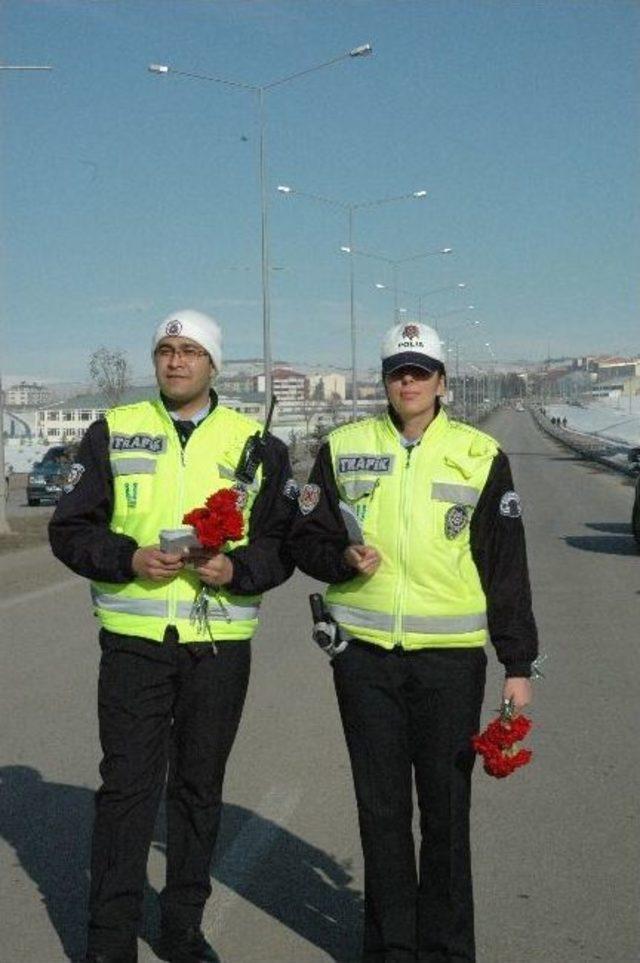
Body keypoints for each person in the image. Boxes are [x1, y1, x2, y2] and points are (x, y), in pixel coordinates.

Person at [49, 309, 296, 963]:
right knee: (127, 787)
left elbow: (281, 546)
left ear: (214, 364)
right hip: (135, 639)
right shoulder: (116, 431)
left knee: (196, 788)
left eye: (190, 351)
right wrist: (128, 558)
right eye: (166, 350)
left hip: (218, 643)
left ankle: (181, 926)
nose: (176, 361)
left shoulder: (257, 444)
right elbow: (69, 529)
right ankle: (109, 939)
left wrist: (234, 568)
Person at [289, 321, 538, 963]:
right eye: (398, 372)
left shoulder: (480, 454)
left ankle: (449, 950)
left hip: (450, 663)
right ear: (385, 381)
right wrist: (343, 558)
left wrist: (517, 661)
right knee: (381, 813)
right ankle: (391, 949)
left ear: (441, 383)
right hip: (364, 658)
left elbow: (504, 564)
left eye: (420, 371)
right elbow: (305, 540)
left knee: (446, 814)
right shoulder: (342, 448)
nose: (409, 382)